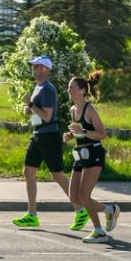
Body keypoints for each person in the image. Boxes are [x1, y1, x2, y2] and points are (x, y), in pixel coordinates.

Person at [12, 56, 77, 229]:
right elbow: (38, 113)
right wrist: (30, 109)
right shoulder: (38, 86)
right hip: (38, 134)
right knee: (28, 171)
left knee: (57, 174)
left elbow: (47, 117)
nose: (33, 68)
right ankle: (31, 214)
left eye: (36, 66)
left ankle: (81, 208)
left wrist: (31, 104)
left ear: (45, 70)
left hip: (49, 136)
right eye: (33, 66)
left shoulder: (48, 88)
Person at [41, 76, 106, 240]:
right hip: (80, 154)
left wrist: (82, 132)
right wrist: (70, 135)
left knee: (84, 196)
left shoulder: (89, 109)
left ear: (82, 91)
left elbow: (102, 134)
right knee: (74, 197)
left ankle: (99, 231)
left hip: (94, 153)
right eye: (69, 88)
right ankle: (109, 210)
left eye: (72, 88)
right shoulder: (72, 110)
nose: (69, 90)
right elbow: (78, 132)